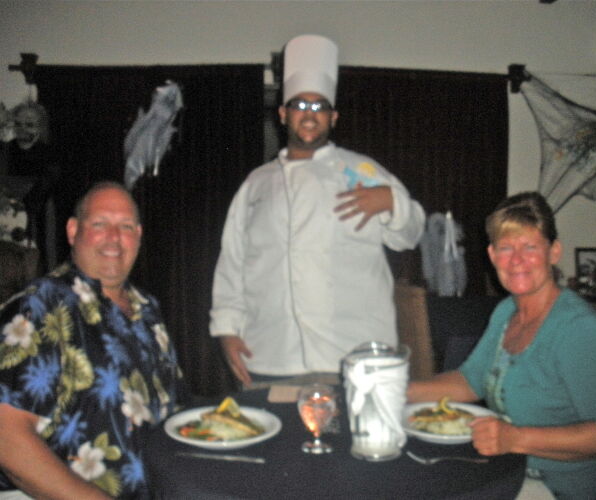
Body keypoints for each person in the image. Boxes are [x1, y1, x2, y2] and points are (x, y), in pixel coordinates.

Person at [210, 34, 425, 386]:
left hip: (353, 357)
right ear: (283, 114)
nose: (309, 115)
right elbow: (232, 262)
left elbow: (410, 234)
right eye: (300, 105)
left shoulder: (361, 171)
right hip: (268, 354)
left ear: (333, 117)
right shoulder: (256, 184)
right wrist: (226, 329)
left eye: (319, 106)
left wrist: (392, 202)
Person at [407, 192, 596, 499]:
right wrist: (393, 391)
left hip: (579, 490)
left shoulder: (579, 329)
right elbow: (470, 381)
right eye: (506, 248)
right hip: (516, 474)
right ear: (492, 255)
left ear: (553, 252)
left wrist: (515, 438)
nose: (516, 260)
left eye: (530, 246)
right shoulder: (507, 312)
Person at [0, 181, 184, 499]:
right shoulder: (41, 305)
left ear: (138, 235)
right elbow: (7, 435)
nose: (114, 237)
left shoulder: (148, 308)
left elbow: (175, 409)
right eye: (100, 224)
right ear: (73, 231)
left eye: (126, 226)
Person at [1, 102, 61, 271]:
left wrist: (24, 206)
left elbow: (48, 184)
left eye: (29, 124)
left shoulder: (49, 154)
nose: (23, 129)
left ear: (39, 127)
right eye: (18, 123)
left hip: (37, 215)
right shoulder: (5, 151)